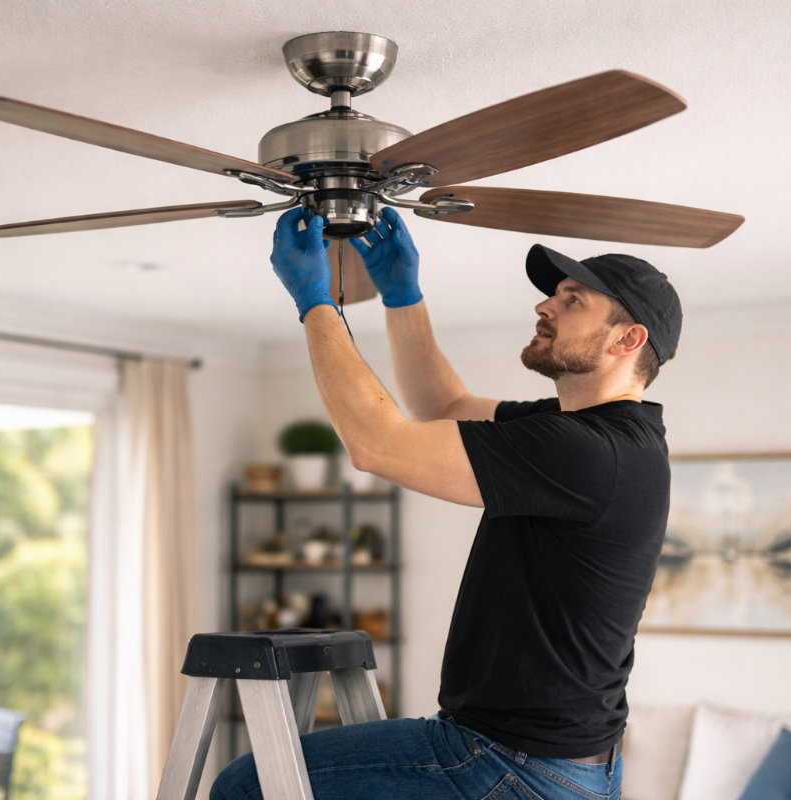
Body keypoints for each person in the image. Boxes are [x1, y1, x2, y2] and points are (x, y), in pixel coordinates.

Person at [211, 205, 681, 800]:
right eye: (553, 295)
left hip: (509, 762)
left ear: (629, 339)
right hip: (553, 764)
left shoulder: (590, 451)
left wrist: (314, 300)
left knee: (247, 785)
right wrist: (401, 294)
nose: (544, 307)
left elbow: (376, 445)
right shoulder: (598, 433)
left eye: (572, 301)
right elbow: (445, 403)